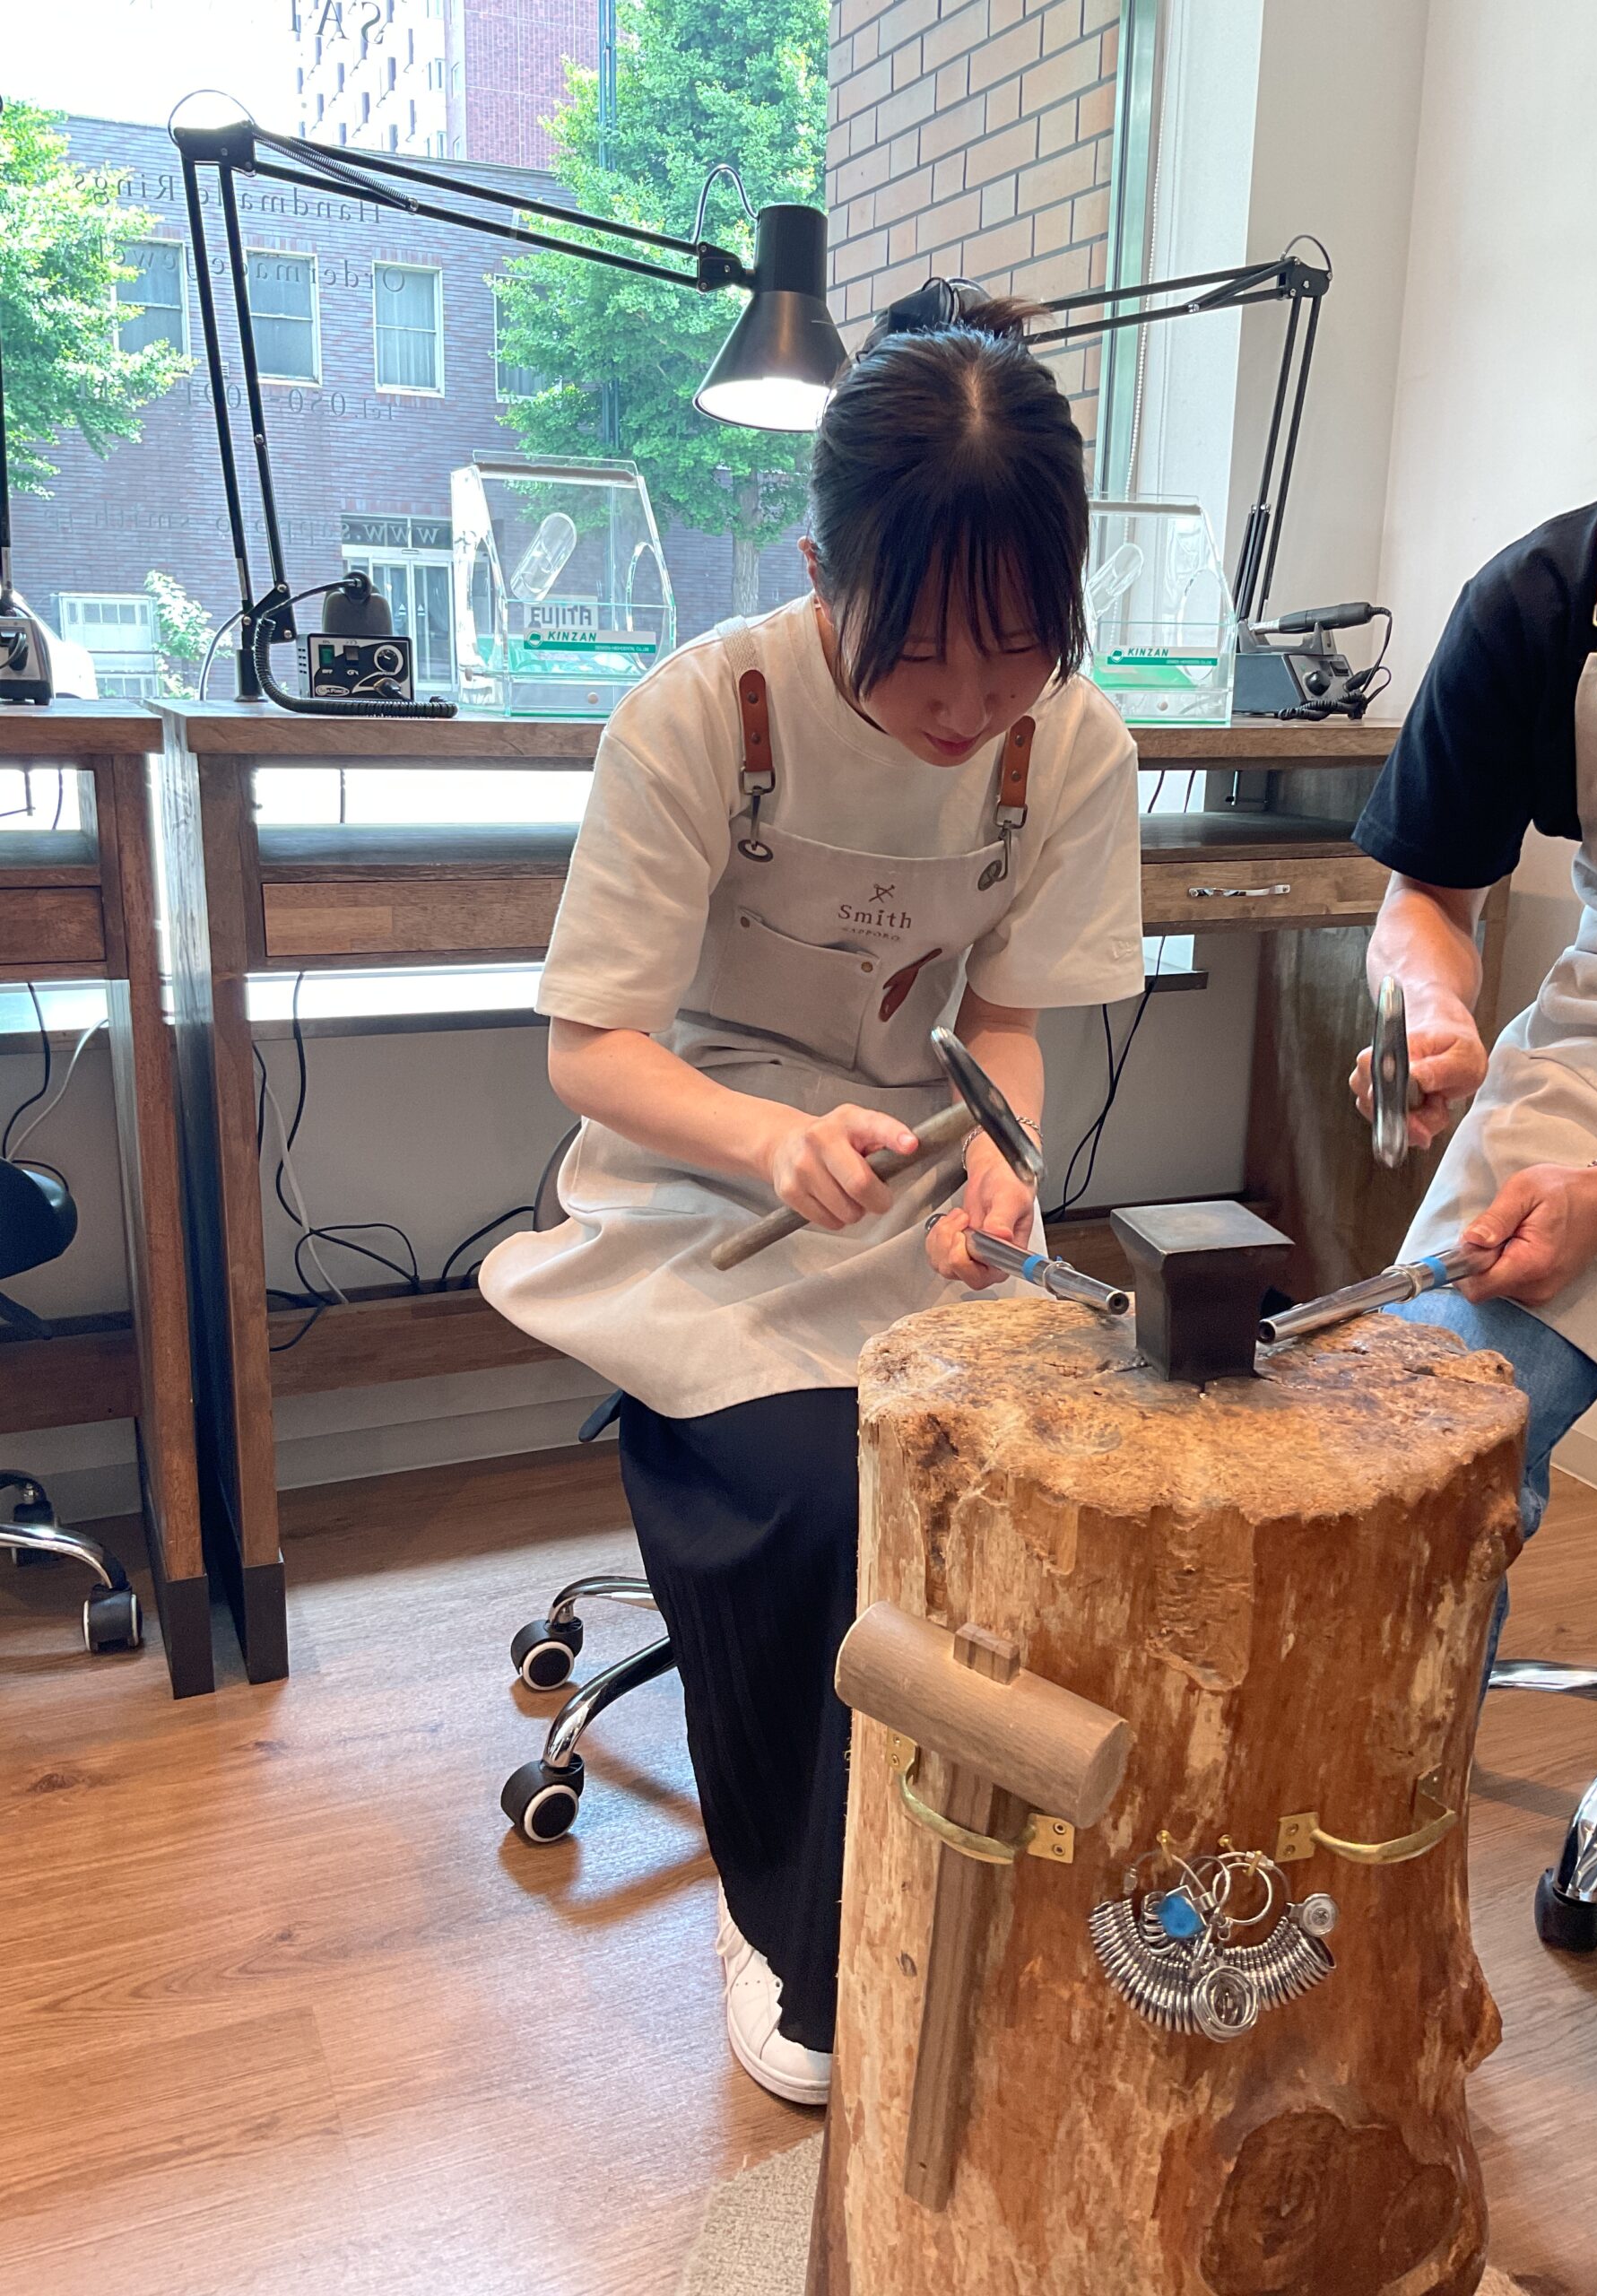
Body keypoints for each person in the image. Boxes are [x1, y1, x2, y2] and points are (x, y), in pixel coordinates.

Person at [482, 288, 1145, 2108]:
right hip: (698, 1166)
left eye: (1017, 652)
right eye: (919, 655)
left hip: (914, 1168)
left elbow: (1003, 1024)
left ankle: (986, 1874)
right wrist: (770, 1146)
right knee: (802, 1492)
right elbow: (594, 1049)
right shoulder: (711, 713)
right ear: (817, 570)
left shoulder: (1071, 745)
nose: (967, 707)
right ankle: (788, 1918)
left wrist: (1004, 1158)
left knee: (1029, 1476)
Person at [1350, 147, 1597, 2296]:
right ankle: (1357, 1946)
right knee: (1411, 1460)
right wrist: (1434, 1008)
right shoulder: (1548, 599)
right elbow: (1428, 885)